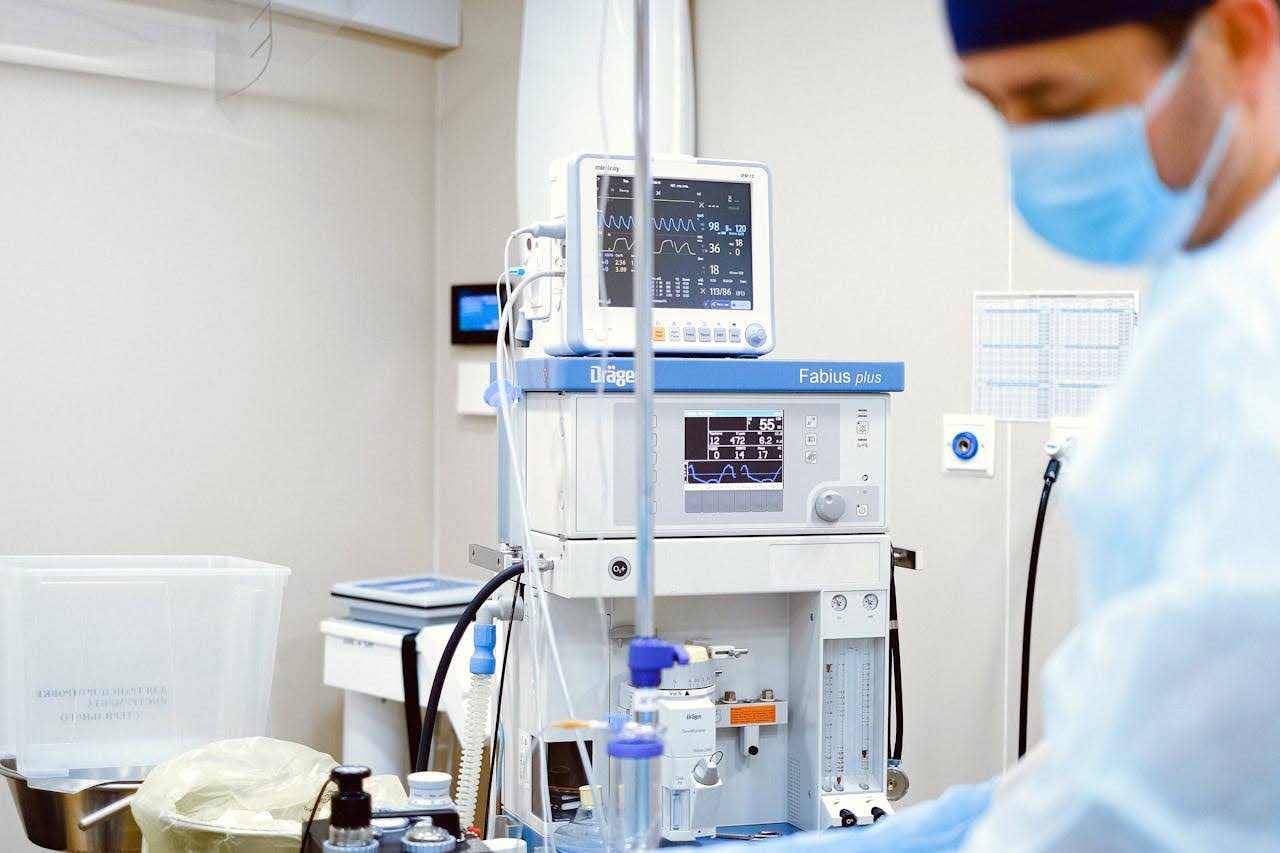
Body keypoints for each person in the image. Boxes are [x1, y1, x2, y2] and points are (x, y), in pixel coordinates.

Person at [764, 0, 1280, 849]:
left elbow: (1161, 797)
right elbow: (1123, 726)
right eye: (994, 107)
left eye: (1056, 99)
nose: (1030, 150)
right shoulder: (1204, 274)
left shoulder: (1253, 330)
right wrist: (952, 822)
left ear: (1237, 39)